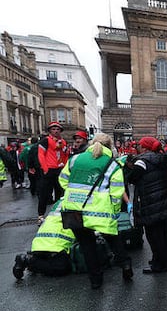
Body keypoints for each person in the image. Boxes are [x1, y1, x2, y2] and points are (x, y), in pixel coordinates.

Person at [58, 133, 125, 289]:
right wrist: (115, 211)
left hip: (74, 209)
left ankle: (95, 280)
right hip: (100, 211)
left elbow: (63, 180)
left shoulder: (75, 159)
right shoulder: (113, 164)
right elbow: (117, 192)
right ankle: (125, 265)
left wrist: (74, 193)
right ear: (109, 146)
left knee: (87, 246)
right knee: (113, 238)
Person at [127, 137, 167, 273]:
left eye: (140, 145)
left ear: (145, 147)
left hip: (150, 202)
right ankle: (162, 260)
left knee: (153, 236)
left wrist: (128, 166)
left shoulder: (142, 162)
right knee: (163, 235)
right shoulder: (161, 158)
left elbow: (132, 178)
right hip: (163, 201)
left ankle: (160, 265)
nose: (138, 147)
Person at [13, 200, 75, 279]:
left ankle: (33, 261)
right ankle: (28, 260)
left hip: (41, 242)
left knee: (47, 261)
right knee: (62, 267)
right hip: (55, 244)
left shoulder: (64, 199)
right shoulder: (82, 201)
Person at [38, 122, 69, 224]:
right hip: (49, 170)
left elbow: (65, 155)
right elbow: (41, 155)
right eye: (53, 129)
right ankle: (41, 215)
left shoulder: (63, 142)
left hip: (59, 170)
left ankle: (57, 213)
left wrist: (65, 167)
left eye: (57, 129)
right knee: (44, 193)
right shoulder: (45, 141)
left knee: (60, 193)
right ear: (50, 131)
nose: (56, 131)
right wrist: (45, 169)